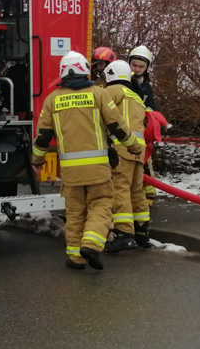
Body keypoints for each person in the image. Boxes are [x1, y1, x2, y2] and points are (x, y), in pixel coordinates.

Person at [31, 51, 144, 271]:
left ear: (62, 72)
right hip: (98, 170)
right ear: (84, 69)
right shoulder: (98, 94)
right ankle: (91, 245)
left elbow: (42, 135)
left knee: (75, 213)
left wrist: (38, 160)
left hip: (71, 174)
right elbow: (117, 126)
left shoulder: (52, 100)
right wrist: (135, 147)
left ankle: (75, 257)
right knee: (101, 205)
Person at [101, 60, 151, 252]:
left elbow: (102, 117)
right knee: (136, 190)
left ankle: (123, 233)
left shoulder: (110, 92)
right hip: (138, 150)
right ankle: (142, 233)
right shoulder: (136, 96)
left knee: (120, 189)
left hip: (121, 148)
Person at [127, 44, 160, 205]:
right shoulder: (124, 82)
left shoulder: (146, 85)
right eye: (134, 65)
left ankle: (149, 194)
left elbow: (152, 105)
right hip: (126, 130)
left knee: (146, 162)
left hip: (142, 131)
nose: (137, 69)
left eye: (141, 66)